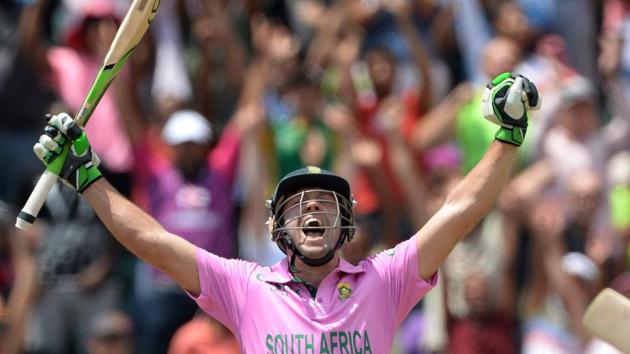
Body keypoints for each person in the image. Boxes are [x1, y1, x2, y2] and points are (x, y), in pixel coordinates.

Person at [30, 72, 539, 352]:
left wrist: (508, 136)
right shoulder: (245, 287)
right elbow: (153, 242)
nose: (314, 210)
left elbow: (461, 210)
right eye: (300, 205)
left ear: (347, 225)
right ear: (276, 227)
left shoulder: (385, 279)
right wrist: (87, 177)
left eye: (325, 204)